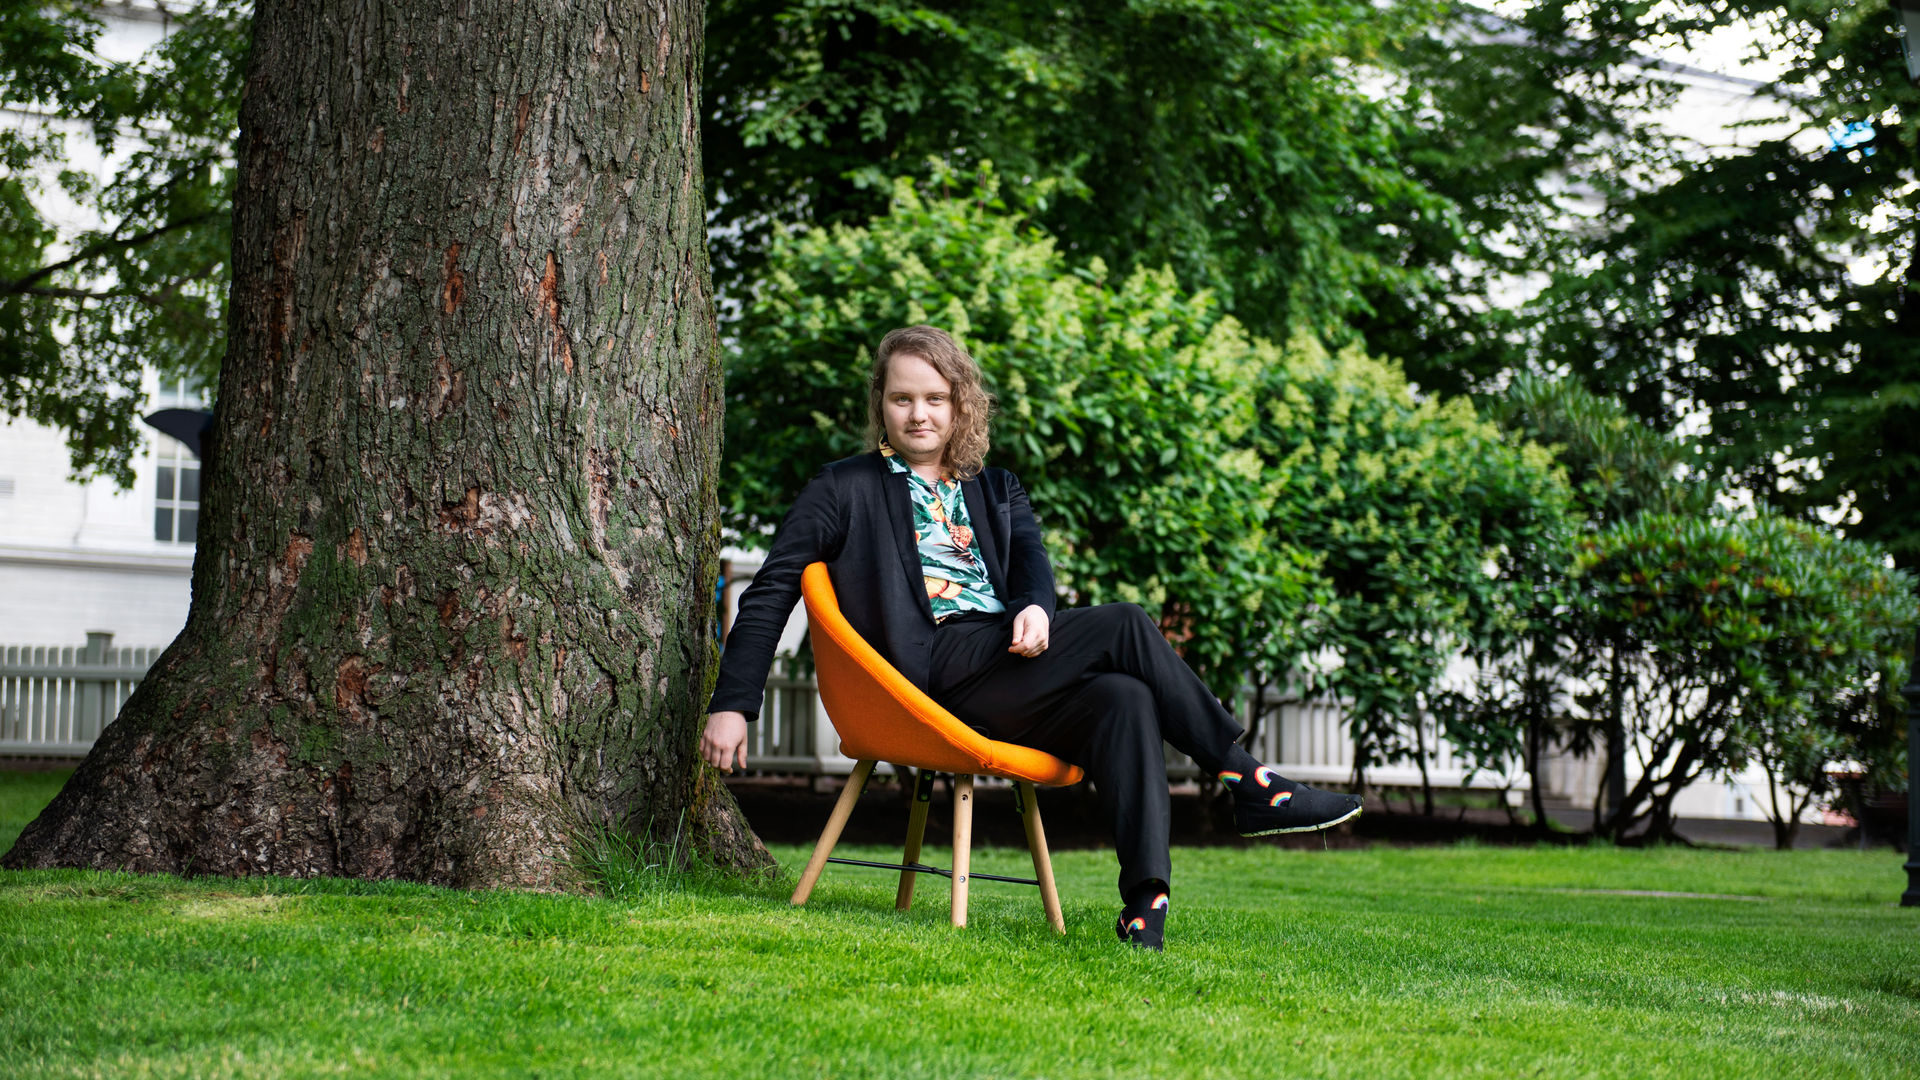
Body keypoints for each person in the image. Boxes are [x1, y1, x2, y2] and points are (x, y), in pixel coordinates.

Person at [701, 325, 1361, 950]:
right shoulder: (843, 487)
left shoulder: (994, 488)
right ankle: (1250, 780)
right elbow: (772, 588)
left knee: (1125, 697)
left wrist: (1037, 608)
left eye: (935, 399)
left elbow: (1031, 568)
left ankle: (1145, 906)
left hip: (1003, 667)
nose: (919, 414)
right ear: (881, 403)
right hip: (927, 674)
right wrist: (733, 704)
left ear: (960, 405)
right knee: (1126, 621)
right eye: (902, 399)